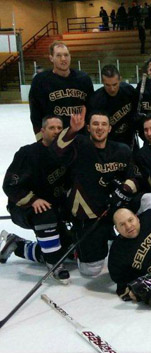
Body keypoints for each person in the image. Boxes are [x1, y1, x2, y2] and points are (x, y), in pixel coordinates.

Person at [51, 108, 139, 277]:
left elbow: (135, 176)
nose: (100, 128)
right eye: (95, 124)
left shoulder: (122, 149)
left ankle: (117, 238)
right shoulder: (78, 145)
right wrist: (72, 130)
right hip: (90, 214)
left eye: (104, 124)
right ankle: (71, 248)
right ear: (88, 128)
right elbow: (57, 151)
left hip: (116, 209)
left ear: (109, 128)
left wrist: (126, 188)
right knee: (90, 270)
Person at [0, 116, 71, 283]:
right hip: (24, 207)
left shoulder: (66, 153)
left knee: (66, 250)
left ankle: (17, 245)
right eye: (51, 128)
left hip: (53, 208)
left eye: (59, 128)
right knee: (45, 215)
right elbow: (10, 185)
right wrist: (33, 200)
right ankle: (55, 264)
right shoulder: (28, 153)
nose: (56, 131)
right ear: (42, 131)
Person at [29, 41, 94, 140]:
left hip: (80, 136)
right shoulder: (40, 81)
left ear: (70, 56)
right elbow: (35, 113)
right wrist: (40, 138)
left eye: (66, 55)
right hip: (53, 137)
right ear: (51, 58)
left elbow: (91, 108)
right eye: (58, 55)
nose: (63, 59)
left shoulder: (83, 79)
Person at [87, 65, 138, 148]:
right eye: (108, 85)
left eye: (115, 84)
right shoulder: (95, 101)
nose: (112, 89)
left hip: (130, 139)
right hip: (109, 143)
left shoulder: (129, 90)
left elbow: (136, 110)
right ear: (102, 82)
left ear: (120, 79)